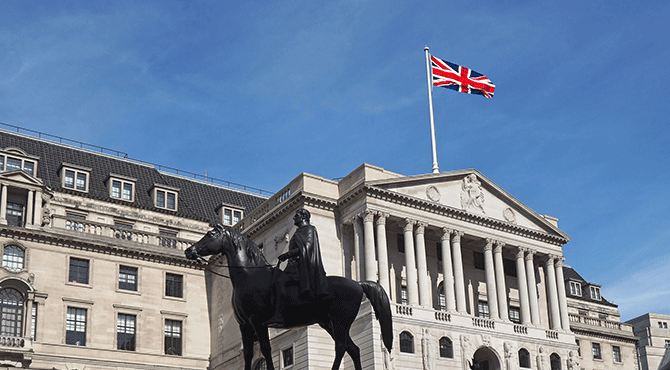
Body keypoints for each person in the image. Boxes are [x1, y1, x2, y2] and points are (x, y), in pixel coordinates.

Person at [265, 209, 328, 326]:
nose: (294, 218)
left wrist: (286, 255)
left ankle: (279, 314)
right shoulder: (299, 231)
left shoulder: (309, 229)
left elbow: (306, 248)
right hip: (292, 266)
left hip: (301, 268)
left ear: (303, 217)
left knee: (279, 282)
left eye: (297, 216)